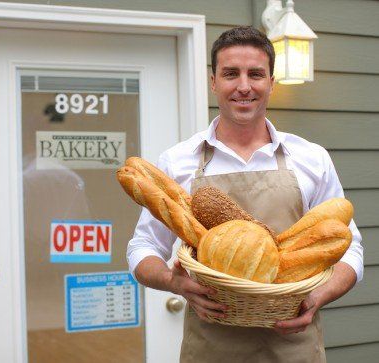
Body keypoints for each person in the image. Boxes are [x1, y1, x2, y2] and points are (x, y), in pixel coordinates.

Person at [126, 26, 363, 362]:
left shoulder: (310, 157)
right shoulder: (179, 160)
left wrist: (318, 297)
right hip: (211, 348)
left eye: (255, 74)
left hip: (295, 348)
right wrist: (173, 282)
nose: (243, 86)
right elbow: (143, 246)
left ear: (271, 82)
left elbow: (349, 246)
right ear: (213, 82)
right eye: (230, 74)